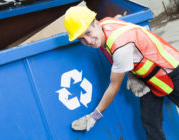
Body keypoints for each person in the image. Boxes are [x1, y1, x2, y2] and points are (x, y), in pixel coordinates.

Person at [64, 6, 179, 140]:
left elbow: (114, 87)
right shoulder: (106, 23)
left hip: (172, 72)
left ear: (96, 23)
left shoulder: (120, 47)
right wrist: (134, 74)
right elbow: (118, 19)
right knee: (150, 123)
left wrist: (94, 116)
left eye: (88, 33)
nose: (88, 41)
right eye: (81, 39)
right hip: (149, 81)